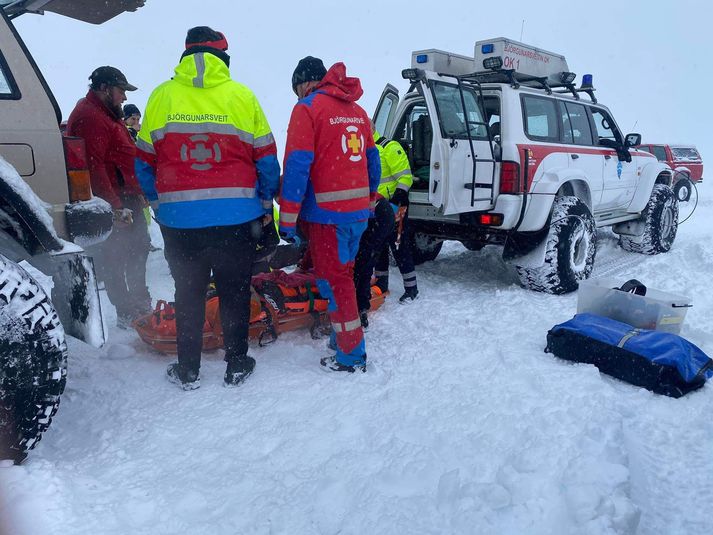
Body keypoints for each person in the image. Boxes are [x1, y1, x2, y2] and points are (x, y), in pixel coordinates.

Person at [135, 27, 280, 390]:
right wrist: (265, 208)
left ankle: (188, 369)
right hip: (237, 223)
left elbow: (142, 163)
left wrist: (160, 206)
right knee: (233, 292)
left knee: (188, 294)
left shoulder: (160, 98)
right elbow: (266, 163)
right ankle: (236, 363)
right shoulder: (242, 97)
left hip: (181, 226)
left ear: (186, 55)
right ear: (223, 57)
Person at [279, 57, 380, 373]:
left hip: (326, 217)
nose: (298, 96)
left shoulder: (307, 109)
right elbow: (372, 164)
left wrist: (287, 217)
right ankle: (341, 340)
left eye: (298, 89)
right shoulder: (358, 112)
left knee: (337, 283)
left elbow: (297, 166)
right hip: (357, 216)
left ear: (305, 83)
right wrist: (368, 198)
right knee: (343, 278)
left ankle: (351, 356)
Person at [66, 66, 151, 328]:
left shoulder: (106, 113)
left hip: (127, 197)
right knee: (116, 255)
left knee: (138, 247)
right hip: (115, 200)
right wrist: (115, 207)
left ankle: (138, 303)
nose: (124, 98)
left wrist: (140, 191)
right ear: (104, 89)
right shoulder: (91, 117)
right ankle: (128, 311)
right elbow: (95, 166)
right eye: (121, 91)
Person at [372, 127, 419, 304]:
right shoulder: (362, 148)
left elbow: (405, 176)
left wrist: (400, 195)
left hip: (393, 208)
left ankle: (411, 289)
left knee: (399, 247)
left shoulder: (389, 147)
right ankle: (381, 284)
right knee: (378, 248)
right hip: (374, 209)